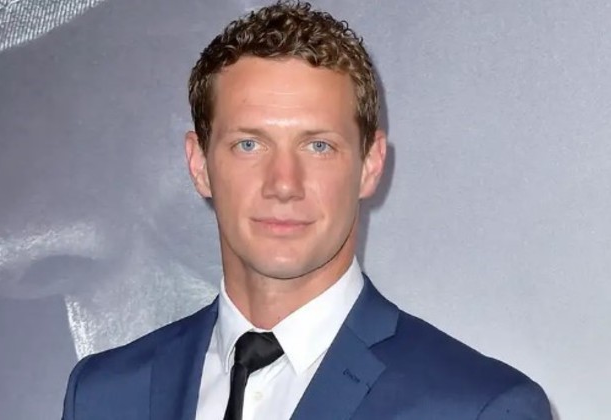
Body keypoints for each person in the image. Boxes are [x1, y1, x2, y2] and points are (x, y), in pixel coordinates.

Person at [62, 2, 553, 419]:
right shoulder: (102, 395)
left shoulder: (478, 407)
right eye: (250, 144)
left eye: (318, 146)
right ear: (199, 165)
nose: (283, 184)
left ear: (370, 165)